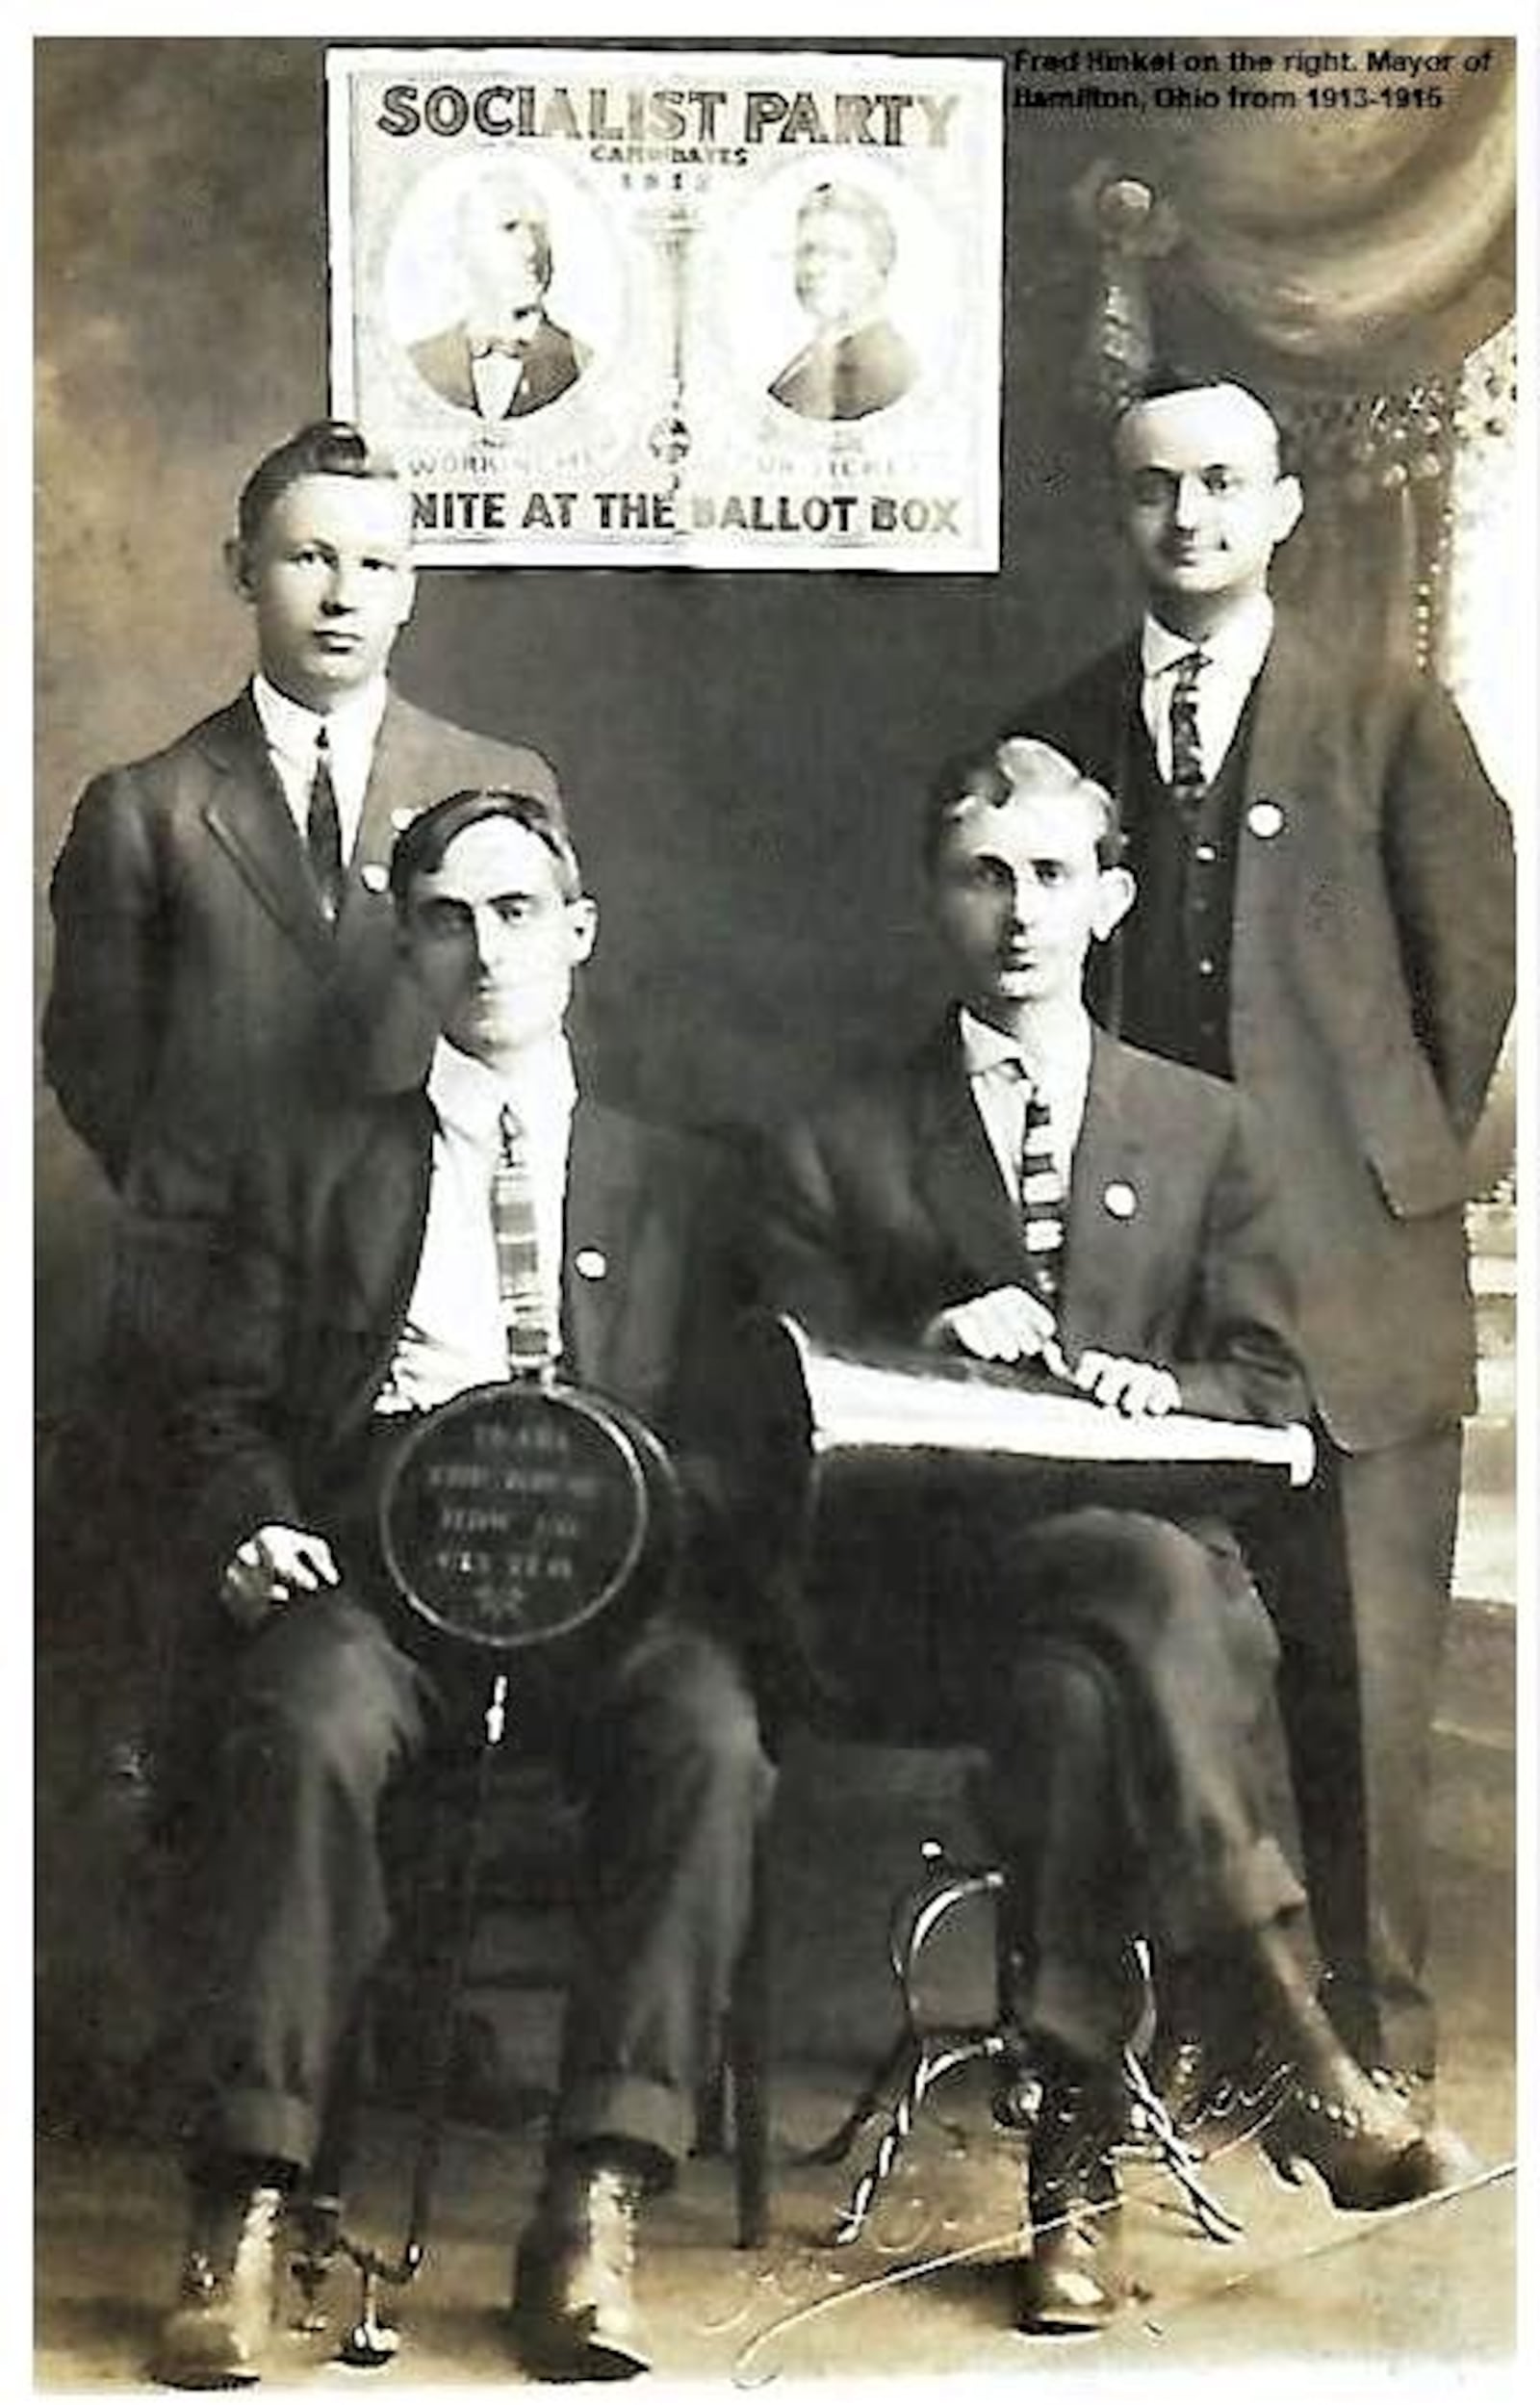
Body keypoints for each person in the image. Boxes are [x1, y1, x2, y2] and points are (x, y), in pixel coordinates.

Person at [750, 737, 1450, 2337]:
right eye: (983, 875)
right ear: (935, 897)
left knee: (1089, 1680)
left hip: (1121, 1629)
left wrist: (1165, 1382)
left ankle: (1075, 2167)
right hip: (928, 1599)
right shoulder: (836, 1134)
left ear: (1111, 898)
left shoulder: (1203, 1128)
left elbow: (1270, 1402)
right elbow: (775, 1407)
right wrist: (932, 1329)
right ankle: (1287, 2024)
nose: (1019, 913)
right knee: (1139, 1583)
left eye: (1052, 875)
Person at [148, 788, 771, 2389]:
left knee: (709, 1735)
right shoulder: (318, 1166)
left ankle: (594, 2203)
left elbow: (739, 1438)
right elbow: (219, 1405)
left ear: (578, 933)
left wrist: (633, 1515)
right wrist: (256, 1527)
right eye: (447, 915)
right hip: (380, 1568)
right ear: (410, 947)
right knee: (299, 1722)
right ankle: (254, 2204)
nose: (486, 946)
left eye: (517, 910)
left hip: (612, 1591)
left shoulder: (688, 1184)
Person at [1018, 370, 1515, 2133]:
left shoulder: (1389, 720)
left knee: (1367, 1668)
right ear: (1120, 512)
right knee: (1172, 1650)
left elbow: (1470, 989)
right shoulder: (1066, 729)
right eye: (1156, 488)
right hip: (1147, 1292)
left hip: (1347, 1275)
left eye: (1226, 484)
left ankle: (1375, 2050)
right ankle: (1193, 2027)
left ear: (1285, 506)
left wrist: (1362, 1176)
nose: (1192, 519)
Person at [43, 416, 561, 1400]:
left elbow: (531, 1032)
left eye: (374, 563)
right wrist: (210, 1191)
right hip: (205, 1276)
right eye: (308, 558)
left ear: (408, 589)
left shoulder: (495, 780)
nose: (341, 595)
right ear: (244, 570)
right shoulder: (148, 807)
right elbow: (93, 1063)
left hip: (426, 1272)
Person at [410, 168, 589, 421]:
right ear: (463, 247)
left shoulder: (584, 366)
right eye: (509, 228)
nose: (529, 249)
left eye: (538, 231)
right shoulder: (422, 363)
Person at [767, 181, 917, 422]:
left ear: (879, 266)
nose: (814, 268)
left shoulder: (884, 372)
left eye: (837, 254)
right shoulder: (817, 353)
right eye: (807, 251)